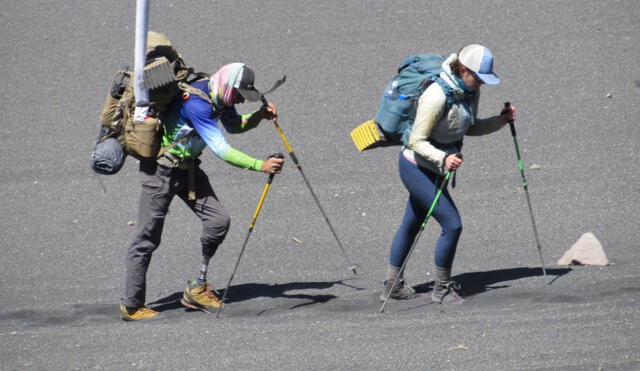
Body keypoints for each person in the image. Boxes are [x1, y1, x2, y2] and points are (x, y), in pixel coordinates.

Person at [120, 63, 284, 321]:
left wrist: (257, 116)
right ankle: (131, 305)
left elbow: (233, 126)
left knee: (218, 221)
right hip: (160, 174)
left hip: (189, 171)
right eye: (239, 94)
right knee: (146, 239)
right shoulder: (198, 105)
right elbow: (222, 150)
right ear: (227, 85)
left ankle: (197, 288)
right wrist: (260, 165)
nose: (241, 100)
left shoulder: (220, 97)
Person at [380, 44, 517, 305]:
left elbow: (470, 127)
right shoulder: (436, 96)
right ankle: (442, 289)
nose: (480, 84)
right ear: (463, 69)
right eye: (477, 77)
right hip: (416, 166)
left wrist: (500, 121)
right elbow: (417, 141)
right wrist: (444, 157)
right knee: (452, 224)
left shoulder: (468, 91)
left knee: (411, 223)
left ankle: (392, 286)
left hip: (438, 168)